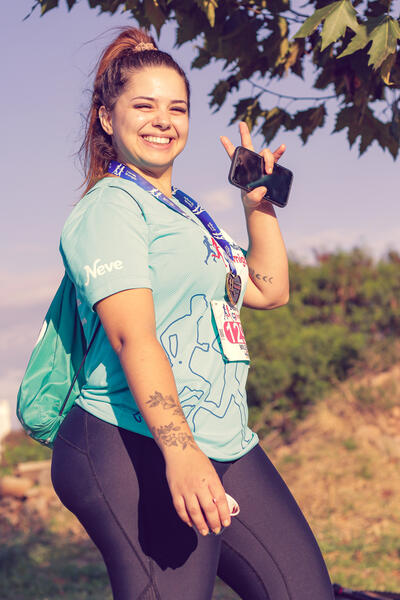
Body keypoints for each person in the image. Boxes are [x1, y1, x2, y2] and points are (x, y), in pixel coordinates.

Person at [51, 26, 335, 600]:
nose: (163, 119)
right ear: (107, 119)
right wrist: (179, 452)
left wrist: (258, 206)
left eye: (176, 107)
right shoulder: (112, 208)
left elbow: (267, 288)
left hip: (224, 438)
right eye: (144, 106)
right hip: (130, 442)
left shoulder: (185, 213)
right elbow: (135, 338)